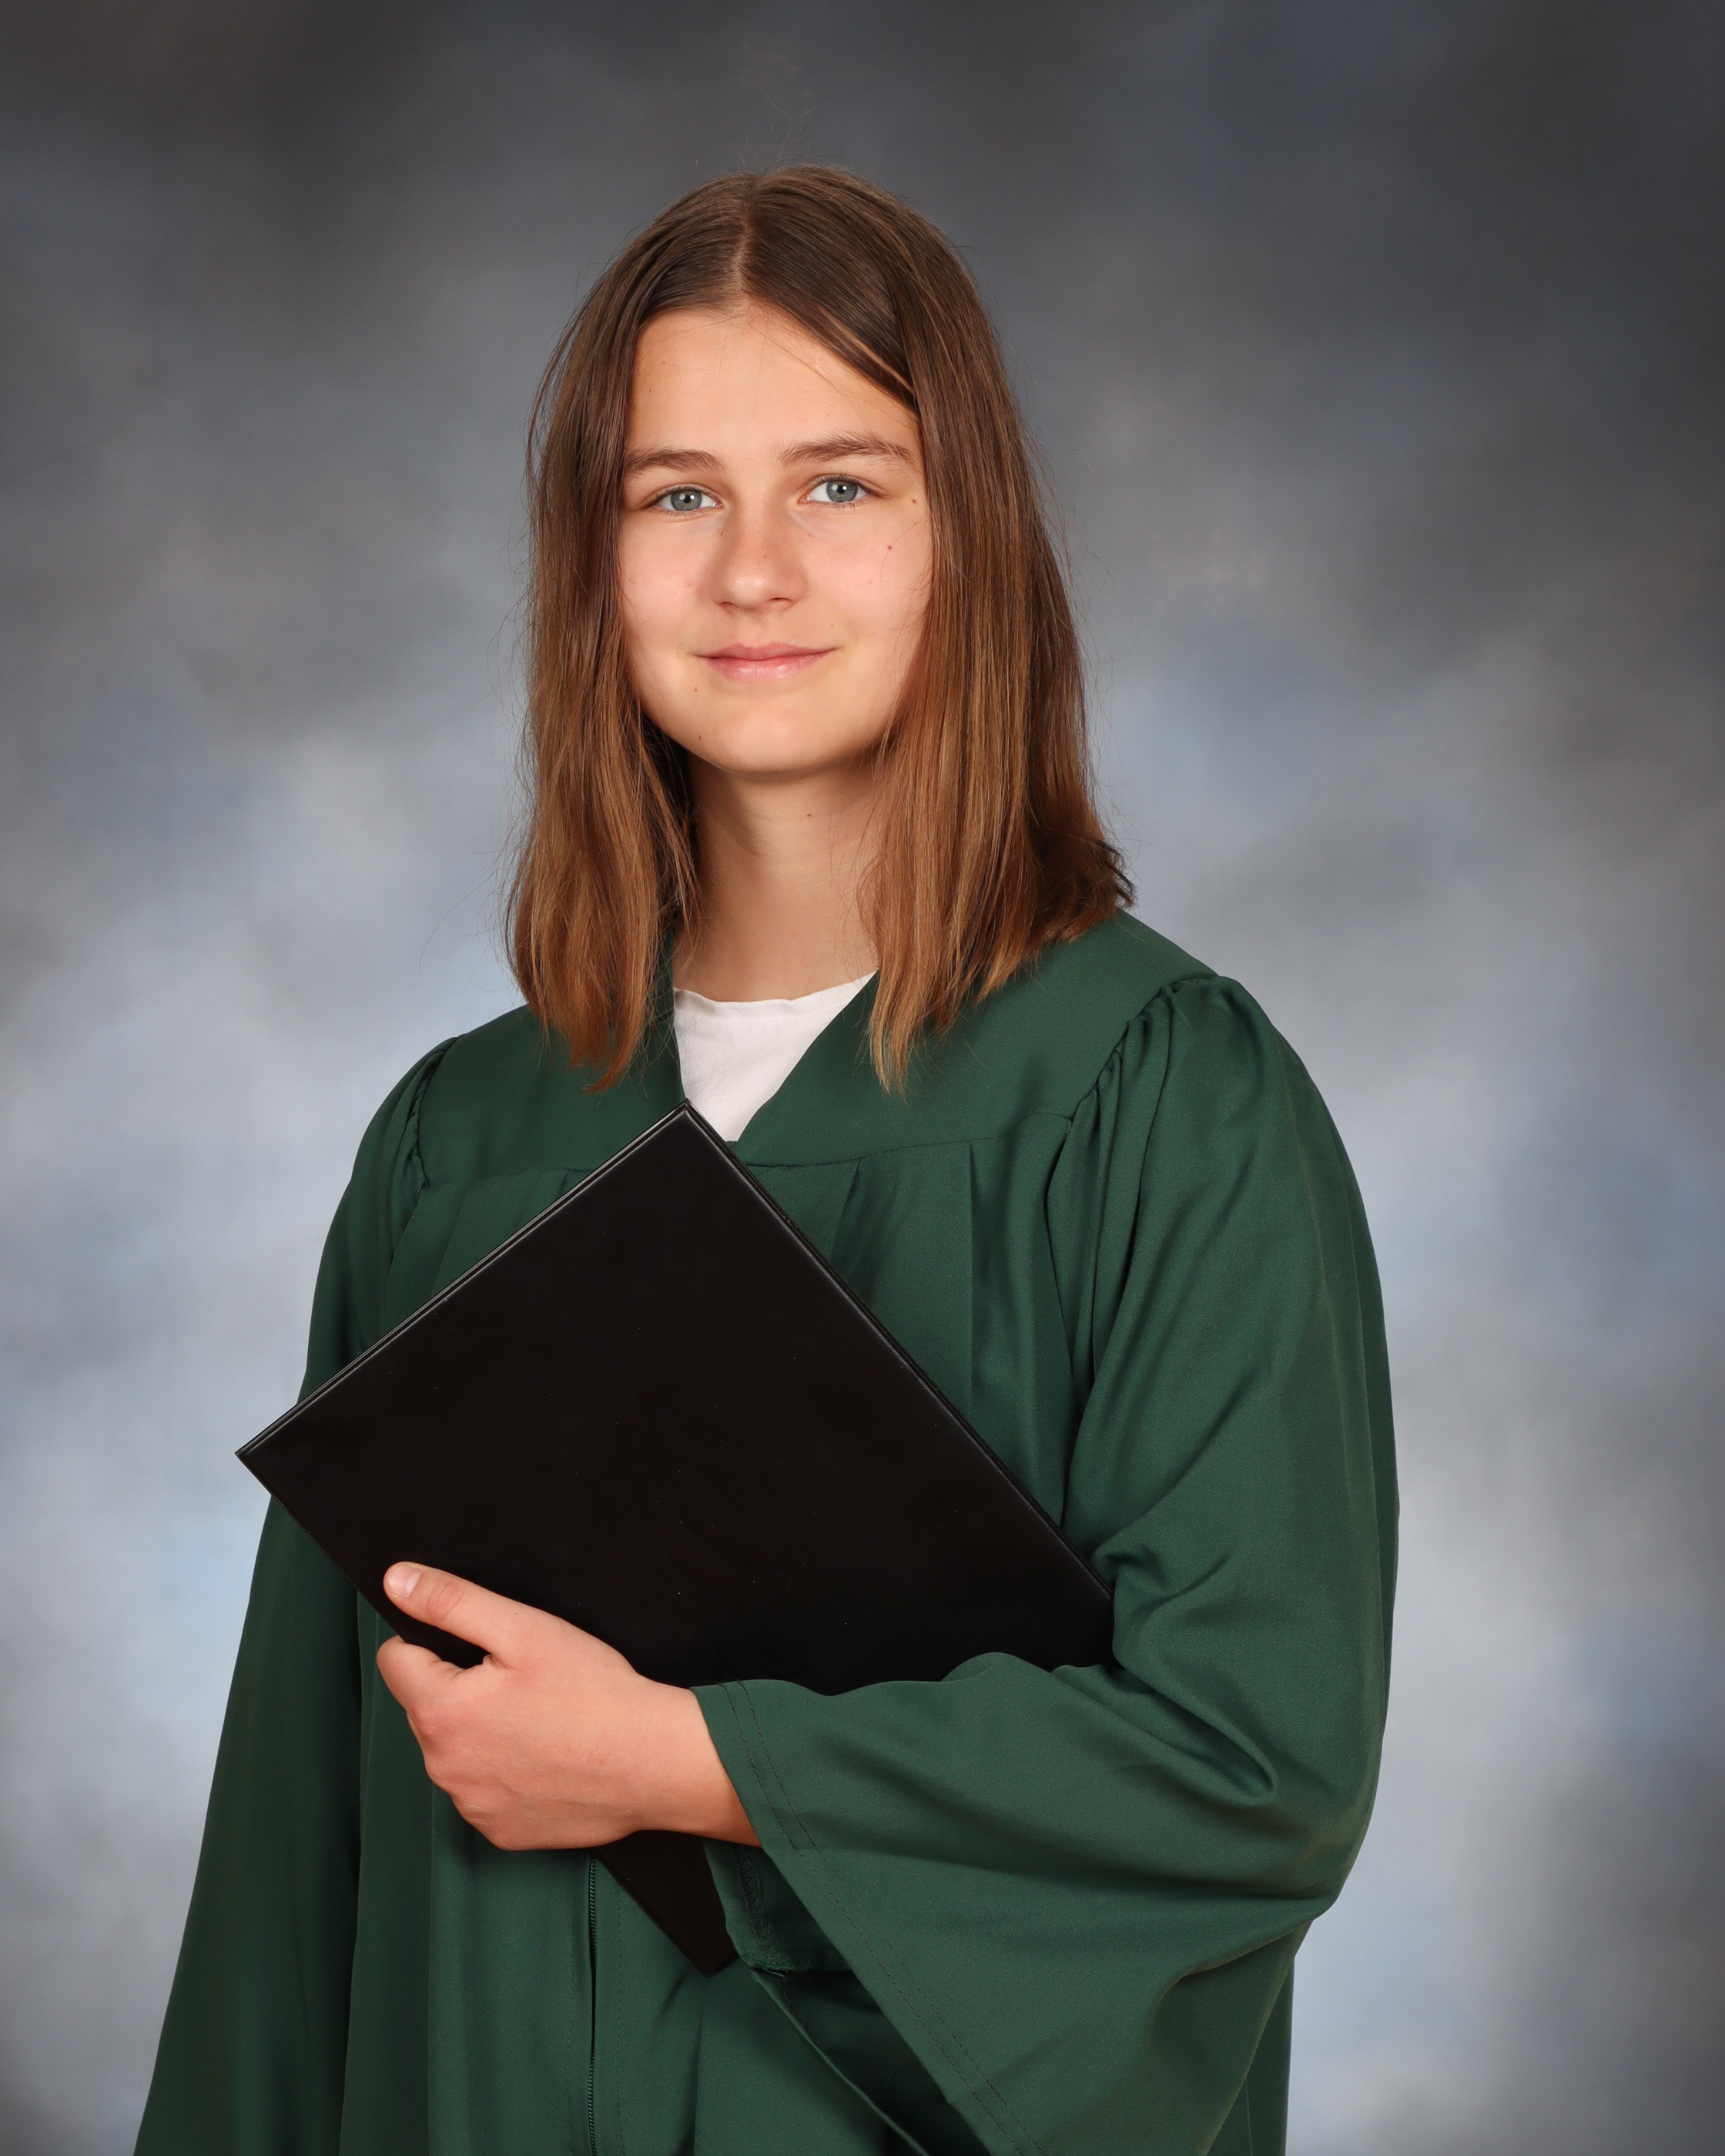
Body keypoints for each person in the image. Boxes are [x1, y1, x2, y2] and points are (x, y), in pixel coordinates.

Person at [136, 166, 1395, 2156]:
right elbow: (295, 1861)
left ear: (969, 539)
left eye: (840, 484)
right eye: (675, 496)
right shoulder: (460, 1146)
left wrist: (685, 1760)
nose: (753, 574)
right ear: (594, 562)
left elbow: (1249, 1768)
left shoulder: (1161, 1101)